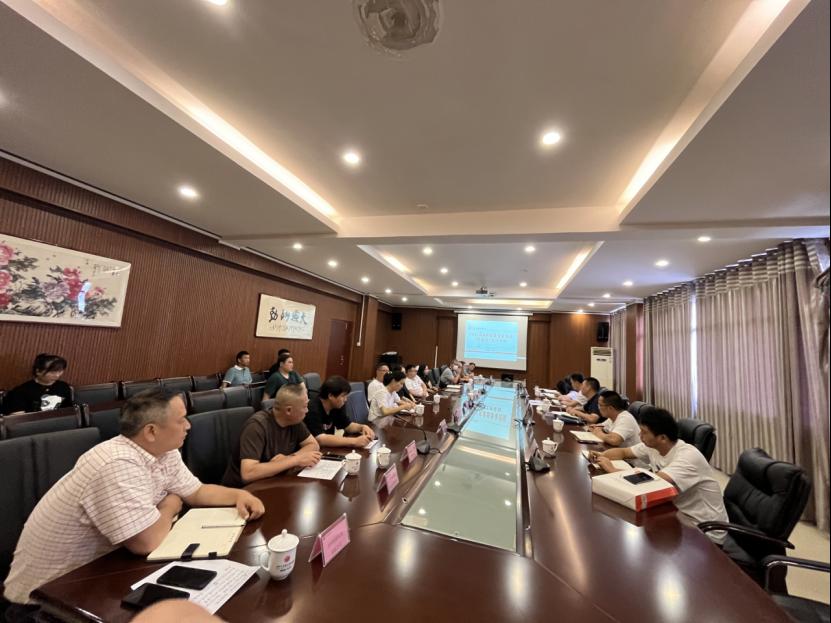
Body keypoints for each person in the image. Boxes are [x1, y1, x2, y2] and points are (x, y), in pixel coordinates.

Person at [3, 389, 265, 610]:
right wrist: (170, 504)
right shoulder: (117, 463)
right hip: (44, 599)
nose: (188, 425)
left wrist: (239, 495)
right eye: (181, 420)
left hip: (103, 572)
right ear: (151, 431)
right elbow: (147, 541)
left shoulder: (164, 450)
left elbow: (195, 492)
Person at [589, 407, 728, 543]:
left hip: (704, 530)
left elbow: (651, 483)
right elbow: (624, 452)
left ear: (662, 438)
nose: (640, 436)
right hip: (676, 512)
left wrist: (611, 469)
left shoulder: (688, 457)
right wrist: (602, 455)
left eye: (644, 432)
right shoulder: (653, 446)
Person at [222, 383, 320, 487]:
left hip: (272, 482)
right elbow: (248, 474)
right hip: (242, 489)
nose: (307, 411)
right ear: (288, 410)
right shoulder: (256, 426)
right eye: (304, 406)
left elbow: (313, 444)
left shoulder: (295, 421)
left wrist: (289, 458)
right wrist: (295, 460)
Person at [304, 376, 375, 448]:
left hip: (328, 448)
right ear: (330, 396)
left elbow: (347, 425)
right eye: (343, 396)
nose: (345, 399)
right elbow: (320, 439)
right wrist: (354, 441)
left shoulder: (337, 405)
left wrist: (362, 427)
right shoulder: (312, 409)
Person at [2, 353, 73, 415]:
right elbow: (17, 417)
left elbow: (69, 411)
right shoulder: (21, 391)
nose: (57, 375)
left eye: (60, 371)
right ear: (38, 371)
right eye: (52, 372)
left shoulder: (63, 387)